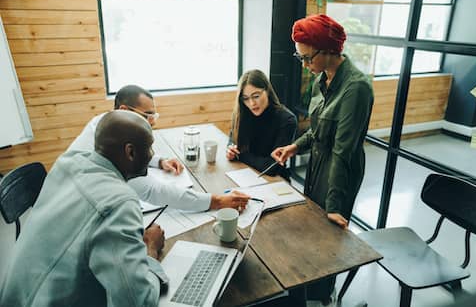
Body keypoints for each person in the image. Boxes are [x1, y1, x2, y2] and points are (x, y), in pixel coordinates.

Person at [1, 111, 166, 306]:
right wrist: (150, 251)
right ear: (130, 152)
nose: (152, 155)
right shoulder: (119, 203)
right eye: (149, 149)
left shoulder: (69, 162)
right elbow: (137, 302)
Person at [271, 14, 374, 306]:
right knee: (309, 234)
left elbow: (343, 151)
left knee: (328, 238)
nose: (304, 65)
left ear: (329, 50)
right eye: (299, 57)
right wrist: (294, 146)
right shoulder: (321, 79)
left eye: (307, 57)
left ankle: (323, 295)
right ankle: (309, 292)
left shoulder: (357, 88)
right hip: (318, 165)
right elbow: (317, 132)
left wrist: (334, 205)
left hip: (339, 172)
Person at [69, 85, 249, 212]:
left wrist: (159, 161)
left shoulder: (104, 122)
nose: (151, 122)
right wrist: (217, 201)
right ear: (124, 109)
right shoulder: (110, 143)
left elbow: (132, 155)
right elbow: (153, 191)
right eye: (147, 115)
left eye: (153, 115)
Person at [226, 69, 297, 180]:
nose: (252, 103)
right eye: (246, 98)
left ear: (267, 90)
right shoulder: (242, 113)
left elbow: (273, 167)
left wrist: (241, 155)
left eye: (256, 96)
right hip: (244, 174)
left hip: (275, 181)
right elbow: (233, 141)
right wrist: (230, 150)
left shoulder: (287, 120)